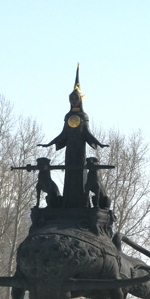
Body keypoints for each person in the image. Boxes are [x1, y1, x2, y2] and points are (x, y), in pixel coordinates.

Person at [38, 64, 108, 208]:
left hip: (80, 152)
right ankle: (67, 204)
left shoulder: (83, 116)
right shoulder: (68, 116)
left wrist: (99, 144)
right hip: (69, 151)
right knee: (70, 174)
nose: (73, 101)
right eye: (71, 99)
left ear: (80, 99)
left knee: (79, 174)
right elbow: (63, 134)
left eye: (75, 98)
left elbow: (87, 134)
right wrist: (49, 144)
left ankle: (82, 203)